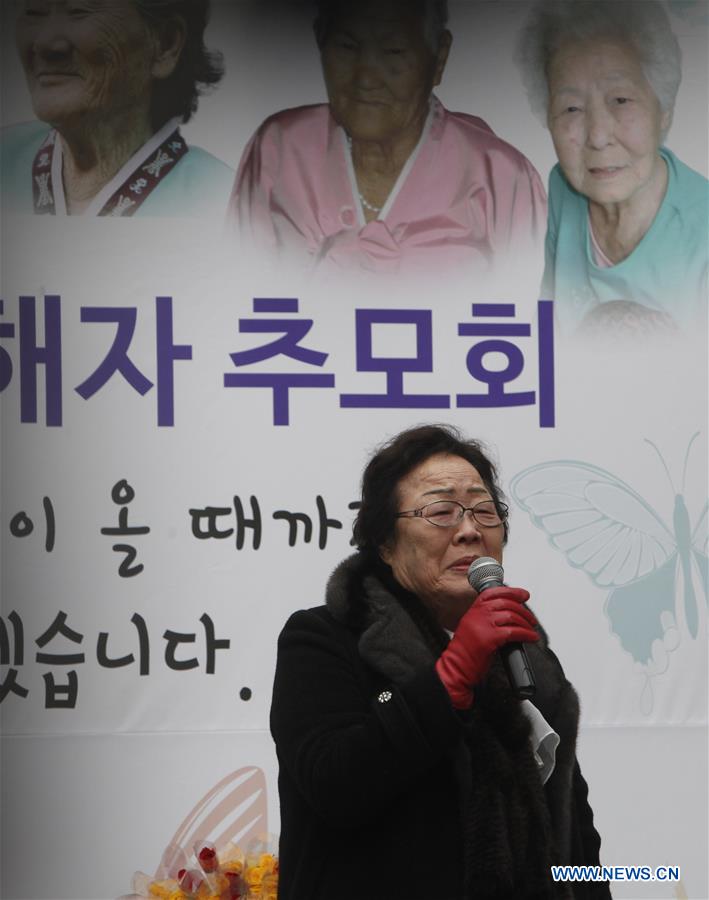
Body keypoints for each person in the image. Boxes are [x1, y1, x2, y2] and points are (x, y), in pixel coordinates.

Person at [271, 424, 609, 900]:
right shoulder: (323, 639)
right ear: (385, 543)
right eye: (442, 511)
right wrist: (449, 677)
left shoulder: (528, 660)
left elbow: (576, 845)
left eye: (484, 511)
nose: (470, 531)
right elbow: (333, 787)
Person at [232, 0, 546, 279]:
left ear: (438, 58)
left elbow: (537, 322)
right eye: (347, 46)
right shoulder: (279, 148)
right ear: (320, 41)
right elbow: (234, 298)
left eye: (393, 51)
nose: (366, 78)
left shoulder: (501, 177)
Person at [516, 0, 708, 334]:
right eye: (571, 108)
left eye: (620, 100)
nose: (598, 137)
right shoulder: (564, 188)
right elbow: (549, 334)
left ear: (663, 109)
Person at [1, 0, 233, 217]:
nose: (43, 43)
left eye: (79, 10)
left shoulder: (225, 200)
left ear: (165, 43)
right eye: (33, 11)